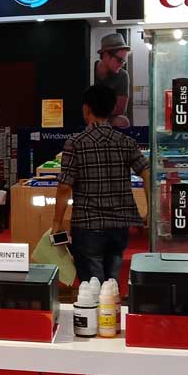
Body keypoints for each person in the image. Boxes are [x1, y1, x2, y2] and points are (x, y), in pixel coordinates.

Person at [51, 84, 151, 283]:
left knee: (91, 285)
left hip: (88, 224)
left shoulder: (75, 143)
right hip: (120, 224)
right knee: (111, 282)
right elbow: (147, 172)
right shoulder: (126, 142)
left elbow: (64, 187)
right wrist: (150, 210)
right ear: (112, 109)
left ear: (86, 108)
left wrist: (57, 223)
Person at [93, 32, 132, 127]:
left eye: (124, 61)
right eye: (120, 60)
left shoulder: (122, 75)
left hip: (106, 118)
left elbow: (119, 110)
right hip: (87, 116)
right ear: (106, 55)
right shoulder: (89, 71)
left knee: (122, 121)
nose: (122, 65)